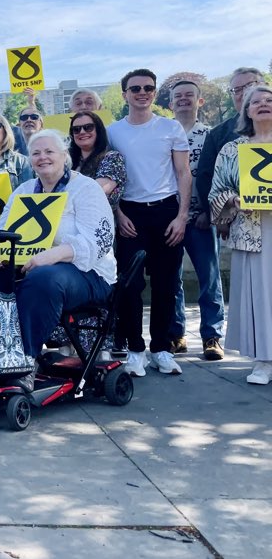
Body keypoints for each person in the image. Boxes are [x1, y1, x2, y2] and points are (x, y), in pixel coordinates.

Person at [0, 130, 116, 385]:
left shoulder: (85, 188)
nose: (42, 157)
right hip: (29, 266)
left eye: (49, 151)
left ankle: (26, 359)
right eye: (36, 153)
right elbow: (4, 231)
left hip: (86, 273)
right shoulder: (25, 190)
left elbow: (99, 241)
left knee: (43, 278)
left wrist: (51, 255)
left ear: (64, 156)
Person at [108, 69, 191, 378]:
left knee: (167, 284)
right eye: (135, 88)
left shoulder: (170, 127)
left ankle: (161, 348)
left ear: (155, 93)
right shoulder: (113, 131)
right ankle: (135, 349)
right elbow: (110, 177)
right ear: (125, 94)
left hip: (167, 211)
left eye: (148, 88)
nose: (142, 92)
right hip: (130, 213)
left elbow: (183, 173)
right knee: (129, 285)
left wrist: (182, 216)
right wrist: (118, 214)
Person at [210, 85, 272, 384]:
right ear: (246, 111)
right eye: (255, 101)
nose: (263, 104)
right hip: (252, 230)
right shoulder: (232, 150)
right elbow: (217, 190)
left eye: (269, 100)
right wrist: (232, 199)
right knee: (259, 294)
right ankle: (263, 360)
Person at [165, 81, 225, 360]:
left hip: (201, 218)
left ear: (200, 101)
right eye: (178, 96)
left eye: (190, 95)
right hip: (169, 217)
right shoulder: (162, 132)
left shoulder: (210, 135)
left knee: (209, 278)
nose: (184, 100)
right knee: (170, 278)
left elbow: (216, 175)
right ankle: (176, 334)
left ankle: (212, 336)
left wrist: (210, 212)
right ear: (170, 103)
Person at [196, 68, 265, 219]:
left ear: (265, 85)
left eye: (249, 85)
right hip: (240, 221)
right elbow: (205, 178)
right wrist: (221, 216)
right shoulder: (218, 135)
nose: (244, 93)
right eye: (237, 90)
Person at [69, 111, 126, 208]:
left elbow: (96, 190)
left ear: (98, 130)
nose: (82, 132)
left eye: (88, 127)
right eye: (76, 129)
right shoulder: (66, 160)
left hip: (97, 220)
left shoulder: (112, 158)